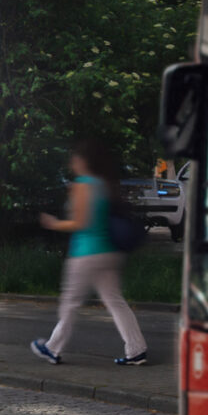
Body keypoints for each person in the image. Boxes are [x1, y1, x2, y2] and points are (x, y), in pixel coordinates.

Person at [31, 139, 148, 366]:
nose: (72, 162)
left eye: (75, 158)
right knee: (115, 301)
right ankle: (137, 349)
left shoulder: (82, 184)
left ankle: (52, 348)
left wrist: (55, 224)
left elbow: (80, 222)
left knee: (70, 302)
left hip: (86, 253)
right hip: (109, 252)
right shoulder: (103, 184)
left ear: (83, 161)